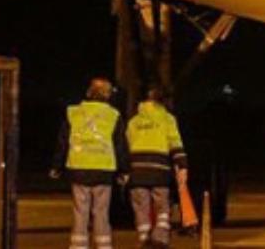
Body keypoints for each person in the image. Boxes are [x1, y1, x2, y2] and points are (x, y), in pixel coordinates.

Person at [53, 78, 128, 249]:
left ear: (89, 92)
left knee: (80, 214)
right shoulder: (113, 115)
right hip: (103, 170)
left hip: (78, 169)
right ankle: (103, 246)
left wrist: (56, 167)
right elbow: (120, 145)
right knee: (101, 213)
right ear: (108, 95)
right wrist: (124, 171)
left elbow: (62, 142)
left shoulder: (73, 112)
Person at [126, 86, 193, 247]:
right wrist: (182, 166)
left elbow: (125, 146)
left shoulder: (133, 121)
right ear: (162, 102)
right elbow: (175, 143)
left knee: (141, 207)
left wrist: (124, 171)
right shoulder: (167, 119)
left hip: (137, 171)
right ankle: (160, 238)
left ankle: (143, 238)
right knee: (162, 207)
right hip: (160, 171)